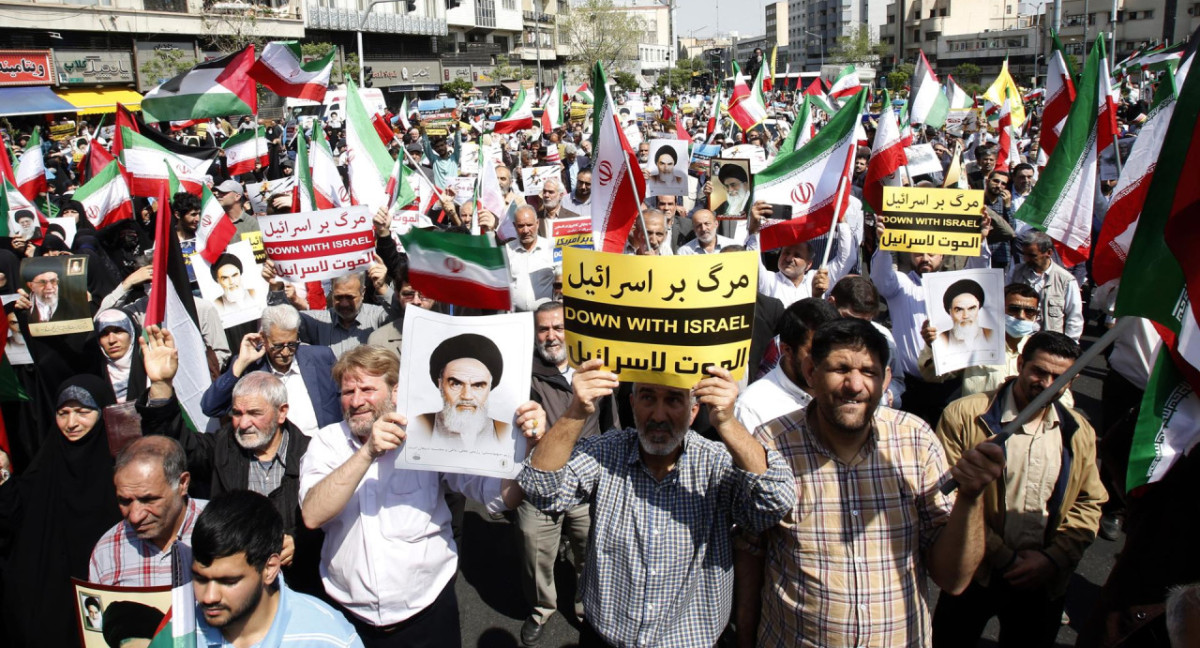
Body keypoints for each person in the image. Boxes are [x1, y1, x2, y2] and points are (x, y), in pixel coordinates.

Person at [742, 318, 1006, 646]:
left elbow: (952, 579)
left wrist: (971, 497)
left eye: (869, 372)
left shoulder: (916, 441)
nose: (855, 385)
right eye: (840, 369)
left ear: (886, 380)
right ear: (811, 373)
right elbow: (750, 553)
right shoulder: (771, 442)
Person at [519, 359, 796, 647]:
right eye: (648, 398)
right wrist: (577, 410)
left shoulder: (715, 463)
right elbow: (539, 489)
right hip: (604, 636)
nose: (659, 415)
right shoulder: (607, 452)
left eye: (674, 400)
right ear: (632, 403)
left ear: (694, 411)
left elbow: (776, 501)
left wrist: (727, 422)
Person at [298, 345, 543, 648]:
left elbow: (501, 496)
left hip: (427, 614)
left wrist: (528, 447)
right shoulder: (326, 442)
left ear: (396, 391)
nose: (356, 401)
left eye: (367, 389)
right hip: (348, 617)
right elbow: (312, 514)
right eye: (347, 392)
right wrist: (367, 453)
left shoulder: (427, 436)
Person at [932, 332, 1106, 647]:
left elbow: (1089, 503)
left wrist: (1053, 559)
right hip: (976, 572)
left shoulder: (1078, 432)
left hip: (1043, 580)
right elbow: (948, 497)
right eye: (1039, 371)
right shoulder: (965, 416)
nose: (1047, 382)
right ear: (1021, 364)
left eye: (1060, 376)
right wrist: (1003, 557)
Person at [139, 324, 325, 595]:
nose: (243, 423)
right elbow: (172, 445)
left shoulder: (313, 454)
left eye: (254, 412)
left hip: (301, 586)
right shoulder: (224, 447)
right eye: (237, 413)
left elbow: (335, 520)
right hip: (236, 589)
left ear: (281, 412)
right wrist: (160, 385)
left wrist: (302, 543)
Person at [518, 301, 619, 645]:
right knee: (535, 551)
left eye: (558, 327)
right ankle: (541, 609)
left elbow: (612, 426)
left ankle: (583, 607)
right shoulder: (522, 375)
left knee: (589, 549)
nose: (551, 336)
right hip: (538, 482)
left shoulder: (594, 370)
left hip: (587, 485)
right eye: (543, 329)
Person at [0, 375, 121, 648]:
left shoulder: (122, 469)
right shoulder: (45, 467)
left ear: (103, 412)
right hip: (53, 602)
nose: (71, 423)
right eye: (63, 413)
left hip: (109, 590)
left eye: (83, 412)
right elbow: (12, 521)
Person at [191, 490, 364, 648]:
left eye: (228, 581)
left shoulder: (327, 637)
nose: (209, 597)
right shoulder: (179, 631)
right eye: (200, 578)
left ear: (270, 568)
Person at [202, 304, 341, 436]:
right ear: (264, 338)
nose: (286, 352)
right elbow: (210, 407)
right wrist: (240, 364)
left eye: (292, 344)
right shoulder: (250, 368)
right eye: (278, 346)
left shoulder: (321, 358)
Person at [88, 435, 204, 587]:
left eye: (149, 500)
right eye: (125, 501)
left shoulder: (226, 528)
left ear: (182, 483)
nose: (135, 517)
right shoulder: (107, 550)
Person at [734, 298, 841, 433]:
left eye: (834, 350)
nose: (827, 360)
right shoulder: (752, 408)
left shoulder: (846, 389)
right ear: (787, 350)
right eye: (815, 351)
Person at [405, 333, 511, 451]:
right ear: (440, 384)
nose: (467, 396)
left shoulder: (508, 433)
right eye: (456, 384)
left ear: (489, 388)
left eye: (478, 385)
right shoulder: (417, 427)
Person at [297, 272, 395, 358]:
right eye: (338, 297)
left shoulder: (377, 316)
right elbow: (286, 320)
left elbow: (403, 317)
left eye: (349, 297)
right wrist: (282, 293)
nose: (344, 303)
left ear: (363, 292)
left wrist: (382, 287)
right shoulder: (319, 321)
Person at [1008, 231, 1084, 341]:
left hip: (1048, 343)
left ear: (1048, 253)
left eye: (1032, 255)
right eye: (1024, 254)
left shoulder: (1066, 280)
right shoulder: (1016, 272)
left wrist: (1069, 345)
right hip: (1017, 339)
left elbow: (1074, 317)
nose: (1026, 259)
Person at [506, 205, 556, 313]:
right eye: (520, 226)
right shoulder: (508, 250)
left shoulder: (550, 248)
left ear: (537, 223)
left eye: (529, 225)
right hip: (516, 318)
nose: (525, 230)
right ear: (514, 226)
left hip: (545, 317)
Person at [932, 278, 997, 355]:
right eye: (959, 310)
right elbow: (925, 365)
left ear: (978, 308)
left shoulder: (991, 335)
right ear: (950, 312)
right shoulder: (943, 339)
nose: (965, 316)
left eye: (971, 308)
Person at [96, 308, 147, 403]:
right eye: (104, 333)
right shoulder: (95, 375)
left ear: (131, 333)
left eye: (118, 331)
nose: (112, 340)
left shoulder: (150, 368)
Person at [25, 267, 89, 323]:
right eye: (42, 282)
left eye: (53, 281)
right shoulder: (23, 306)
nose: (49, 287)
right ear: (31, 286)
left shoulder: (74, 309)